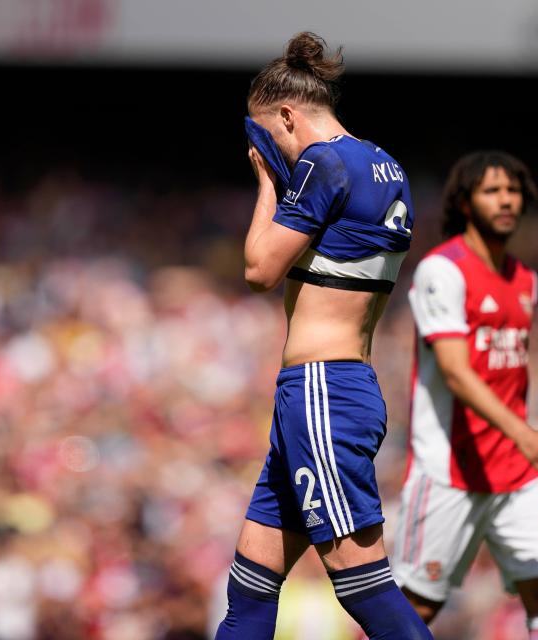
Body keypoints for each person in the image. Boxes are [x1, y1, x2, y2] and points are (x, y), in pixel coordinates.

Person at [215, 32, 432, 640]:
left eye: (266, 138)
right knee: (250, 587)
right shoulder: (385, 164)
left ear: (287, 115)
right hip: (326, 393)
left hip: (321, 393)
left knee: (365, 587)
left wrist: (267, 183)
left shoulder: (324, 161)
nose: (269, 152)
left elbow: (259, 270)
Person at [392, 151, 538, 639]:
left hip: (515, 470)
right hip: (450, 469)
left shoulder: (526, 280)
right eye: (492, 191)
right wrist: (524, 433)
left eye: (512, 191)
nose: (506, 200)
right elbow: (454, 371)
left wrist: (520, 439)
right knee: (414, 609)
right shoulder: (441, 271)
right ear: (466, 203)